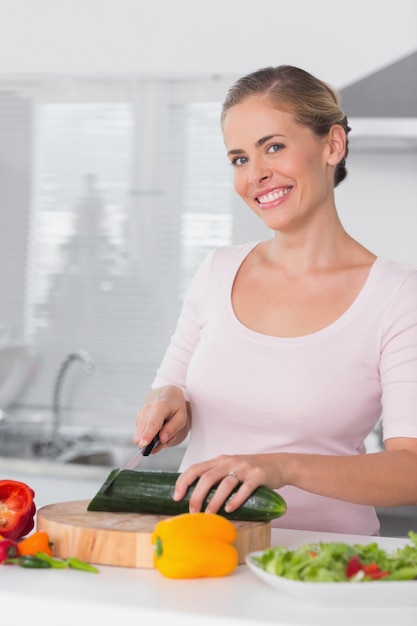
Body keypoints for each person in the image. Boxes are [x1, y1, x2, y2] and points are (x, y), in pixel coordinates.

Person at [133, 65, 417, 535]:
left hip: (321, 566)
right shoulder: (217, 271)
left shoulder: (397, 295)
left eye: (274, 147)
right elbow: (172, 393)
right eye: (239, 159)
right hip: (205, 554)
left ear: (332, 145)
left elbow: (410, 470)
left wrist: (283, 468)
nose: (257, 174)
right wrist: (166, 400)